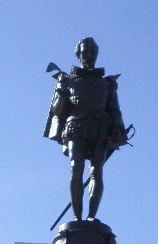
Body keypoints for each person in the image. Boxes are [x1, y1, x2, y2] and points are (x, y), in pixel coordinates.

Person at [44, 37, 129, 221]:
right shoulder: (69, 80)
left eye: (92, 52)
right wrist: (61, 89)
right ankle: (77, 217)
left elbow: (115, 110)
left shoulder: (107, 84)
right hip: (76, 126)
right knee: (76, 168)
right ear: (78, 54)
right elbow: (57, 111)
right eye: (85, 52)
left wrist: (119, 128)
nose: (89, 56)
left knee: (96, 171)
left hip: (101, 127)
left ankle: (91, 217)